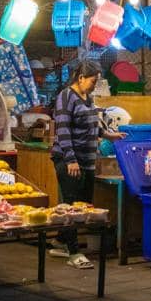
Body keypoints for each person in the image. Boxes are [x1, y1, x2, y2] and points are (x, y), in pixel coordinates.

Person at [50, 60, 125, 269]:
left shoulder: (87, 97)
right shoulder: (66, 96)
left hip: (88, 160)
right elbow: (63, 130)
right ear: (80, 78)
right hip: (69, 161)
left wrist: (110, 135)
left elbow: (93, 124)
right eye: (93, 81)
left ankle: (59, 242)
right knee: (72, 206)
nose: (94, 85)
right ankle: (74, 252)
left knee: (83, 204)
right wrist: (71, 160)